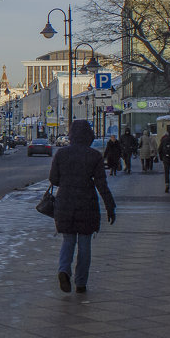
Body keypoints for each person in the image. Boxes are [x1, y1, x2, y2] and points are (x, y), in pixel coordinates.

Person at [49, 119, 116, 294]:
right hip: (87, 203)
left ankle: (64, 270)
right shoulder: (94, 156)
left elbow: (53, 179)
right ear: (89, 136)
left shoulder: (61, 154)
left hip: (65, 203)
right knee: (85, 244)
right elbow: (102, 185)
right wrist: (110, 206)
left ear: (71, 135)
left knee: (68, 240)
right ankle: (80, 283)